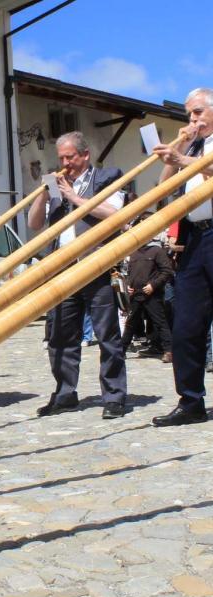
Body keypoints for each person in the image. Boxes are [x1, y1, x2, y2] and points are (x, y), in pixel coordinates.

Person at [27, 131, 127, 419]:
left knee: (107, 335)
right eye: (61, 158)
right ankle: (65, 393)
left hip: (97, 264)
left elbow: (115, 214)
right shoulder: (57, 185)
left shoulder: (107, 177)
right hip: (63, 268)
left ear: (85, 155)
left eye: (69, 157)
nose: (65, 163)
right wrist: (42, 195)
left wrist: (74, 196)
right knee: (60, 335)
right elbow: (35, 224)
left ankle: (114, 396)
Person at [151, 87, 213, 426]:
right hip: (194, 238)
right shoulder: (193, 146)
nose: (192, 120)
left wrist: (185, 160)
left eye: (199, 112)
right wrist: (174, 155)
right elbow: (162, 190)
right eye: (189, 114)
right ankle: (190, 401)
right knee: (186, 324)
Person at [120, 211, 174, 363]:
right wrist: (128, 286)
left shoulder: (157, 251)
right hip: (136, 294)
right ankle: (121, 350)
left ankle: (169, 351)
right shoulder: (134, 253)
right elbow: (129, 273)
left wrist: (153, 285)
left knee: (160, 323)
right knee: (130, 324)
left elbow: (167, 271)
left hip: (152, 294)